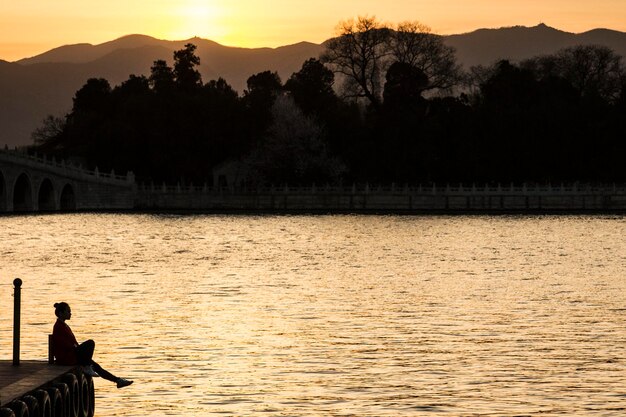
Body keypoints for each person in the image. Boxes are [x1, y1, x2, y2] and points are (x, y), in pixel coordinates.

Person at [52, 302, 133, 389]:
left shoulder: (64, 326)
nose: (70, 313)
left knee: (96, 366)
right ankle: (87, 366)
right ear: (61, 313)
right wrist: (78, 350)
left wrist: (80, 351)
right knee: (90, 343)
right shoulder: (59, 327)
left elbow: (72, 343)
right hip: (66, 358)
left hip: (71, 354)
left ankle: (118, 380)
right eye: (68, 311)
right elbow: (65, 344)